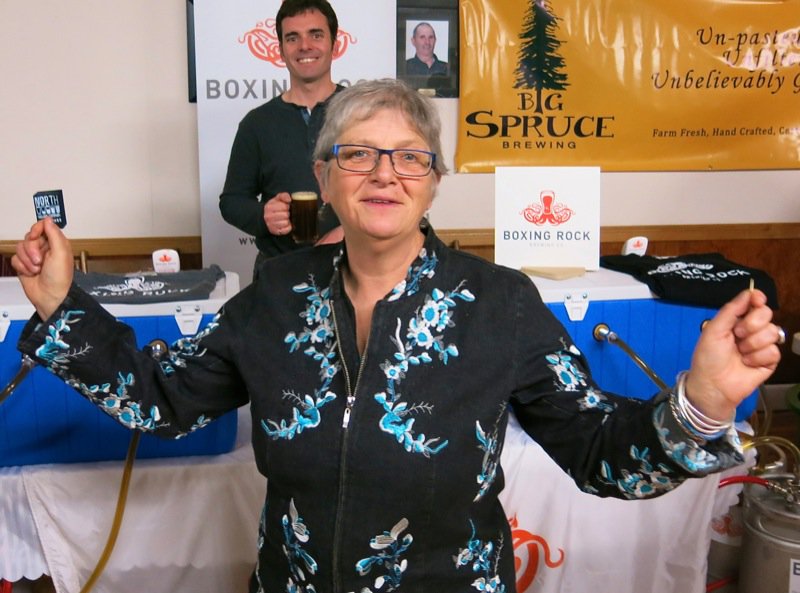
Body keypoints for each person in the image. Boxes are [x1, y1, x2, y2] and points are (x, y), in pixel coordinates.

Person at [13, 79, 782, 593]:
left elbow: (599, 452)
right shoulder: (273, 295)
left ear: (434, 180)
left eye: (410, 155)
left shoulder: (499, 302)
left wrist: (701, 405)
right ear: (326, 174)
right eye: (359, 152)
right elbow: (163, 399)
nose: (386, 171)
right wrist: (60, 306)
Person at [219, 0, 344, 282]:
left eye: (315, 34)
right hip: (278, 274)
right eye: (292, 38)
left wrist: (349, 230)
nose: (304, 46)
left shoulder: (362, 114)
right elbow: (232, 201)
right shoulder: (257, 123)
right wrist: (263, 214)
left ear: (334, 43)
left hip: (354, 269)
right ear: (281, 49)